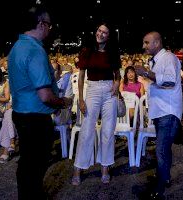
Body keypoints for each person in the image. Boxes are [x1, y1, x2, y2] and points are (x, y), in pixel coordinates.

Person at [7, 5, 72, 200]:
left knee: (27, 162)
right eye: (49, 25)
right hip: (35, 117)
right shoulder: (35, 50)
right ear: (41, 24)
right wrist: (62, 102)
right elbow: (45, 95)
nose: (50, 30)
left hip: (20, 113)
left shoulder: (17, 47)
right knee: (36, 163)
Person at [71, 22, 121, 186]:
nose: (101, 34)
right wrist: (81, 99)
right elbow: (81, 76)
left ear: (108, 36)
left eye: (105, 32)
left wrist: (116, 84)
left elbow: (117, 75)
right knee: (86, 130)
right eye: (99, 31)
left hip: (109, 91)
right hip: (92, 89)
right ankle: (78, 167)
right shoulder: (87, 51)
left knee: (108, 131)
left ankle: (105, 167)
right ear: (96, 32)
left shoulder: (112, 52)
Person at [135, 31, 183, 199]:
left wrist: (146, 73)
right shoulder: (157, 60)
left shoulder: (168, 58)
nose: (144, 46)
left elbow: (170, 81)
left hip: (167, 112)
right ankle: (165, 177)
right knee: (165, 150)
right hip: (162, 112)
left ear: (157, 43)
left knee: (161, 150)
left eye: (146, 42)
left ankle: (159, 190)